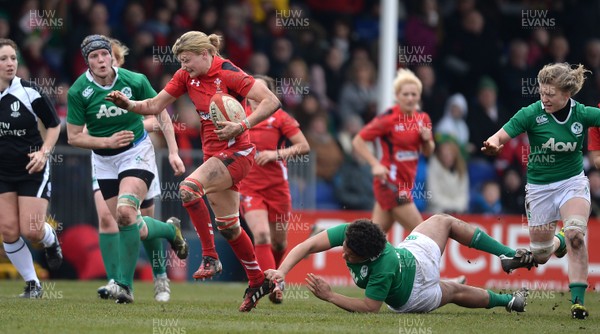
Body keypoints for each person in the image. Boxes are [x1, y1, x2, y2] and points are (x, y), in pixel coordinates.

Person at [106, 31, 281, 311]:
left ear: (205, 54)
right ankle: (257, 280)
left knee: (188, 189)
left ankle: (210, 257)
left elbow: (272, 101)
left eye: (187, 60)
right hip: (215, 157)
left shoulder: (229, 73)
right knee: (229, 227)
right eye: (181, 61)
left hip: (238, 153)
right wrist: (129, 105)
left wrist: (243, 125)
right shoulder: (186, 76)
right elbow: (154, 105)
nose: (183, 65)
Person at [66, 34, 189, 304]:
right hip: (104, 161)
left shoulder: (135, 80)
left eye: (103, 54)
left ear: (111, 55)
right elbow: (74, 137)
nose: (100, 60)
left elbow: (161, 113)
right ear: (86, 62)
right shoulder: (78, 92)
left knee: (125, 212)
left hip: (137, 154)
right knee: (129, 222)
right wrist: (105, 142)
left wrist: (174, 152)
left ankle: (132, 283)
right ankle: (170, 230)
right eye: (94, 57)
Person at [482, 63, 599, 320]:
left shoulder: (583, 114)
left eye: (550, 94)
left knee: (577, 235)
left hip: (572, 183)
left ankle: (577, 303)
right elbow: (502, 134)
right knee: (542, 255)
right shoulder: (531, 113)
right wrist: (493, 142)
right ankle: (559, 241)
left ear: (566, 94)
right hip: (539, 189)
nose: (544, 98)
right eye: (542, 92)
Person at [265, 215, 534, 313]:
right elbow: (308, 245)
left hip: (413, 294)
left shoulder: (383, 264)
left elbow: (371, 308)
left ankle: (506, 263)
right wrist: (282, 271)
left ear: (368, 256)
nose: (343, 252)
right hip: (412, 259)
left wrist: (331, 295)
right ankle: (508, 296)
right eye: (344, 246)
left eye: (349, 253)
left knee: (454, 291)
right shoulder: (354, 233)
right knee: (454, 288)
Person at [238, 75, 310, 304]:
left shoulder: (279, 117)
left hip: (277, 188)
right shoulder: (238, 117)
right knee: (260, 235)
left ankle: (277, 275)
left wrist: (276, 154)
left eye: (261, 89)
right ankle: (272, 285)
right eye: (252, 89)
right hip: (249, 187)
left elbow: (304, 146)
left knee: (279, 242)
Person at [0, 38, 62, 298]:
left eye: (13, 58)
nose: (10, 63)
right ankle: (33, 284)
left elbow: (54, 125)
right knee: (8, 230)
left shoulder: (29, 91)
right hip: (2, 172)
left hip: (31, 167)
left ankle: (50, 240)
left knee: (32, 230)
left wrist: (44, 153)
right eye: (3, 59)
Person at [352, 68, 434, 233]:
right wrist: (375, 164)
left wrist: (426, 141)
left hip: (405, 184)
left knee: (374, 239)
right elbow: (358, 140)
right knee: (425, 234)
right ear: (397, 96)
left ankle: (324, 235)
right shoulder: (388, 118)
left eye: (414, 94)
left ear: (419, 95)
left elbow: (428, 152)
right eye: (406, 94)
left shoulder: (423, 118)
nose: (410, 98)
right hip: (390, 184)